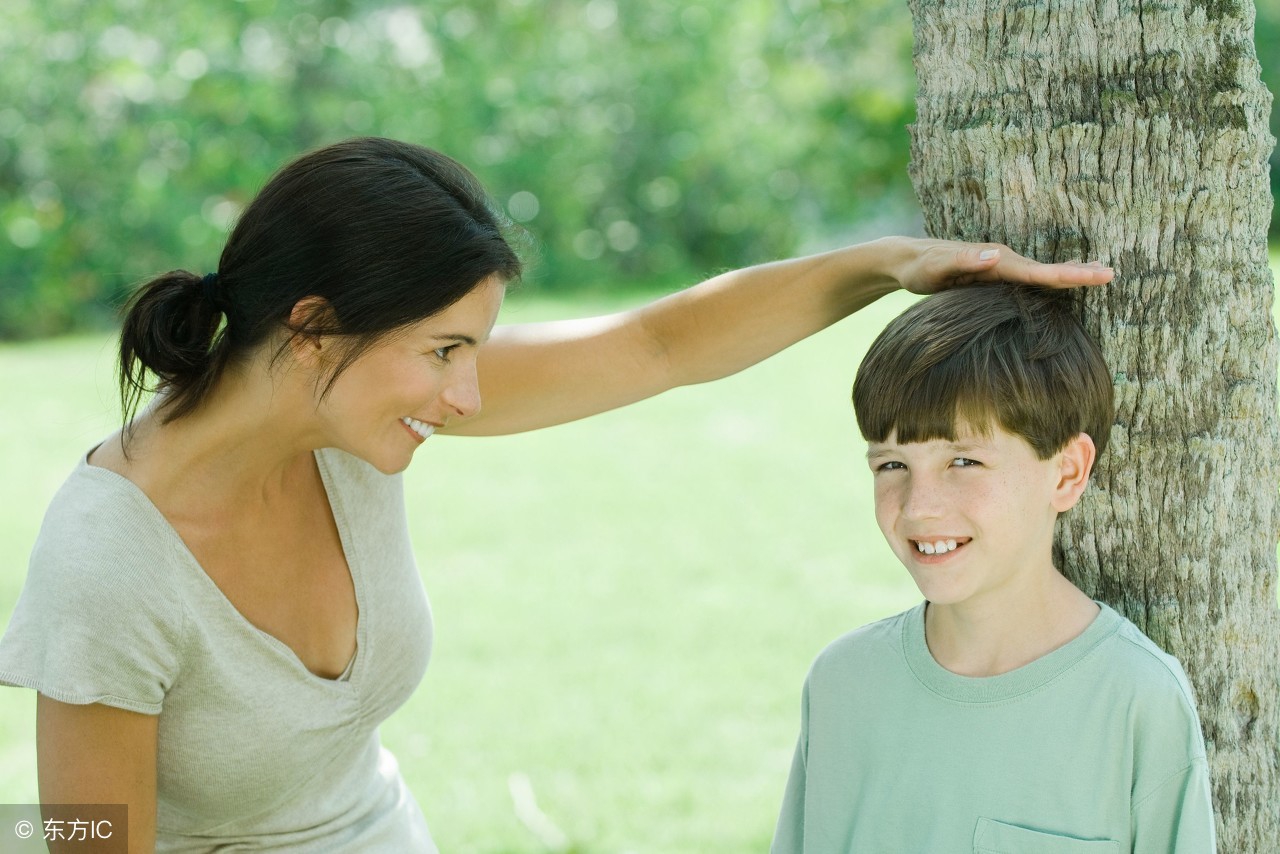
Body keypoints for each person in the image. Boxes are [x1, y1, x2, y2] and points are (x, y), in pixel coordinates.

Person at [0, 137, 1112, 853]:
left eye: (472, 349)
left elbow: (656, 342)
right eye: (442, 351)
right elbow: (89, 839)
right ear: (309, 329)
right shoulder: (111, 562)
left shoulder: (341, 418)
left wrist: (886, 264)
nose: (467, 391)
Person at [770, 283, 1214, 853]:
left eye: (963, 460)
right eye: (891, 464)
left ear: (1066, 472)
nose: (918, 505)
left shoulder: (1136, 701)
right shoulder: (842, 684)